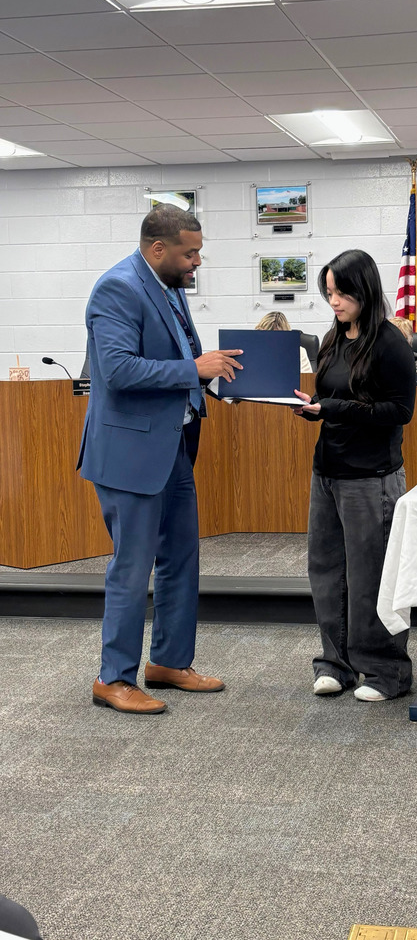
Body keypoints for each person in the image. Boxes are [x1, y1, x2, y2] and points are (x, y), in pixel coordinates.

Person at [77, 204, 243, 714]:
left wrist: (214, 377)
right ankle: (114, 678)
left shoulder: (169, 286)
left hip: (172, 446)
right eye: (190, 252)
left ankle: (169, 661)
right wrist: (195, 367)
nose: (197, 261)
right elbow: (121, 370)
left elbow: (176, 359)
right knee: (132, 567)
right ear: (158, 249)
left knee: (180, 558)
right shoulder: (118, 288)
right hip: (130, 454)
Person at [293, 249, 416, 702]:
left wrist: (333, 408)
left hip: (371, 477)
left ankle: (385, 673)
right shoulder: (332, 339)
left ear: (364, 289)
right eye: (328, 293)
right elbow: (329, 398)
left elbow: (400, 411)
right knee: (326, 572)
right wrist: (310, 408)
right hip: (327, 471)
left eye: (342, 292)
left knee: (372, 577)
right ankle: (336, 664)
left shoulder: (390, 343)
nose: (334, 302)